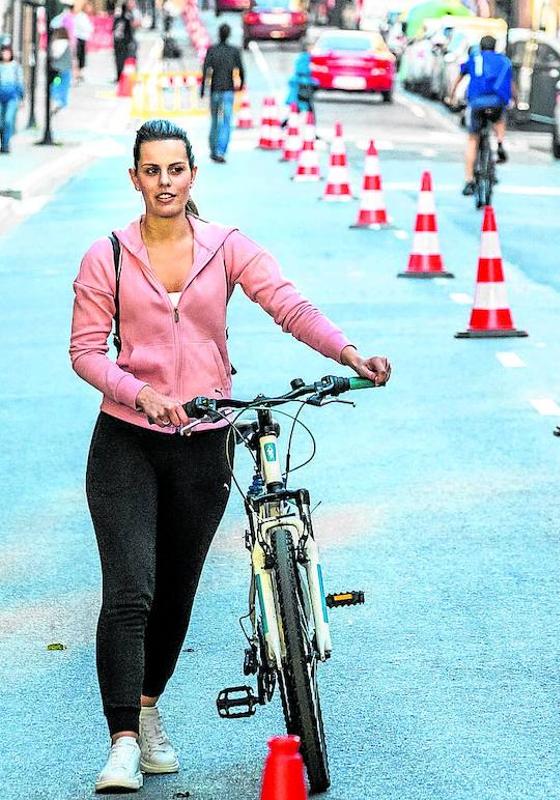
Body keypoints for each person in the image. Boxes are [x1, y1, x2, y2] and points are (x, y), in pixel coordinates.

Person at [69, 118, 391, 793]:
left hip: (205, 441)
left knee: (177, 594)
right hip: (126, 442)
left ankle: (149, 708)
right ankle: (123, 740)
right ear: (135, 178)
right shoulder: (109, 255)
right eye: (151, 171)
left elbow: (286, 302)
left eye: (175, 170)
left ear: (192, 175)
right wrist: (140, 393)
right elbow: (85, 351)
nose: (164, 182)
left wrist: (346, 352)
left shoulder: (225, 246)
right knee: (131, 588)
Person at [448, 35, 512, 197]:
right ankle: (499, 143)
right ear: (495, 46)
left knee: (473, 139)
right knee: (499, 118)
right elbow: (510, 83)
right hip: (497, 103)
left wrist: (452, 96)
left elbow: (459, 77)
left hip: (476, 104)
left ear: (481, 47)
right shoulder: (504, 61)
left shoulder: (474, 59)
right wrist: (515, 100)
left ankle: (469, 180)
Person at [199, 23, 244, 164]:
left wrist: (202, 89)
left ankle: (212, 150)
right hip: (228, 91)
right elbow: (241, 70)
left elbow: (206, 70)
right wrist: (241, 84)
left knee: (214, 121)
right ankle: (220, 151)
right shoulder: (234, 51)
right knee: (226, 122)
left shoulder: (212, 50)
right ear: (229, 34)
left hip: (215, 91)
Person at [285, 39, 319, 118]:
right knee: (301, 107)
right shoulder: (305, 57)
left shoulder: (307, 57)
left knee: (301, 107)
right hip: (302, 85)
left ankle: (286, 123)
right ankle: (285, 124)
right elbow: (302, 70)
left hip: (304, 85)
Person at [0, 42, 23, 154]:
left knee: (8, 120)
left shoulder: (15, 66)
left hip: (12, 97)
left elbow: (20, 83)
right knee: (0, 122)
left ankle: (5, 144)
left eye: (7, 52)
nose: (5, 54)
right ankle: (2, 141)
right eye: (3, 52)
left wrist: (21, 97)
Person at [113, 0, 140, 82]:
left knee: (127, 59)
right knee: (125, 59)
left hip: (123, 40)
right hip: (124, 40)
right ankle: (123, 76)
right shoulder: (126, 15)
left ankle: (127, 76)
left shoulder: (132, 13)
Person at [50, 27, 73, 113]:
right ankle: (62, 101)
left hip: (58, 68)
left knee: (56, 84)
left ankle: (57, 99)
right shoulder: (66, 43)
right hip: (65, 68)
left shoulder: (58, 43)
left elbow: (55, 55)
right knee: (64, 86)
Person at [74, 1, 95, 82]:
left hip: (84, 38)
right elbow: (85, 27)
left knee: (82, 57)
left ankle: (80, 73)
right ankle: (77, 74)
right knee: (79, 57)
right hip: (79, 38)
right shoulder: (80, 16)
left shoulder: (85, 16)